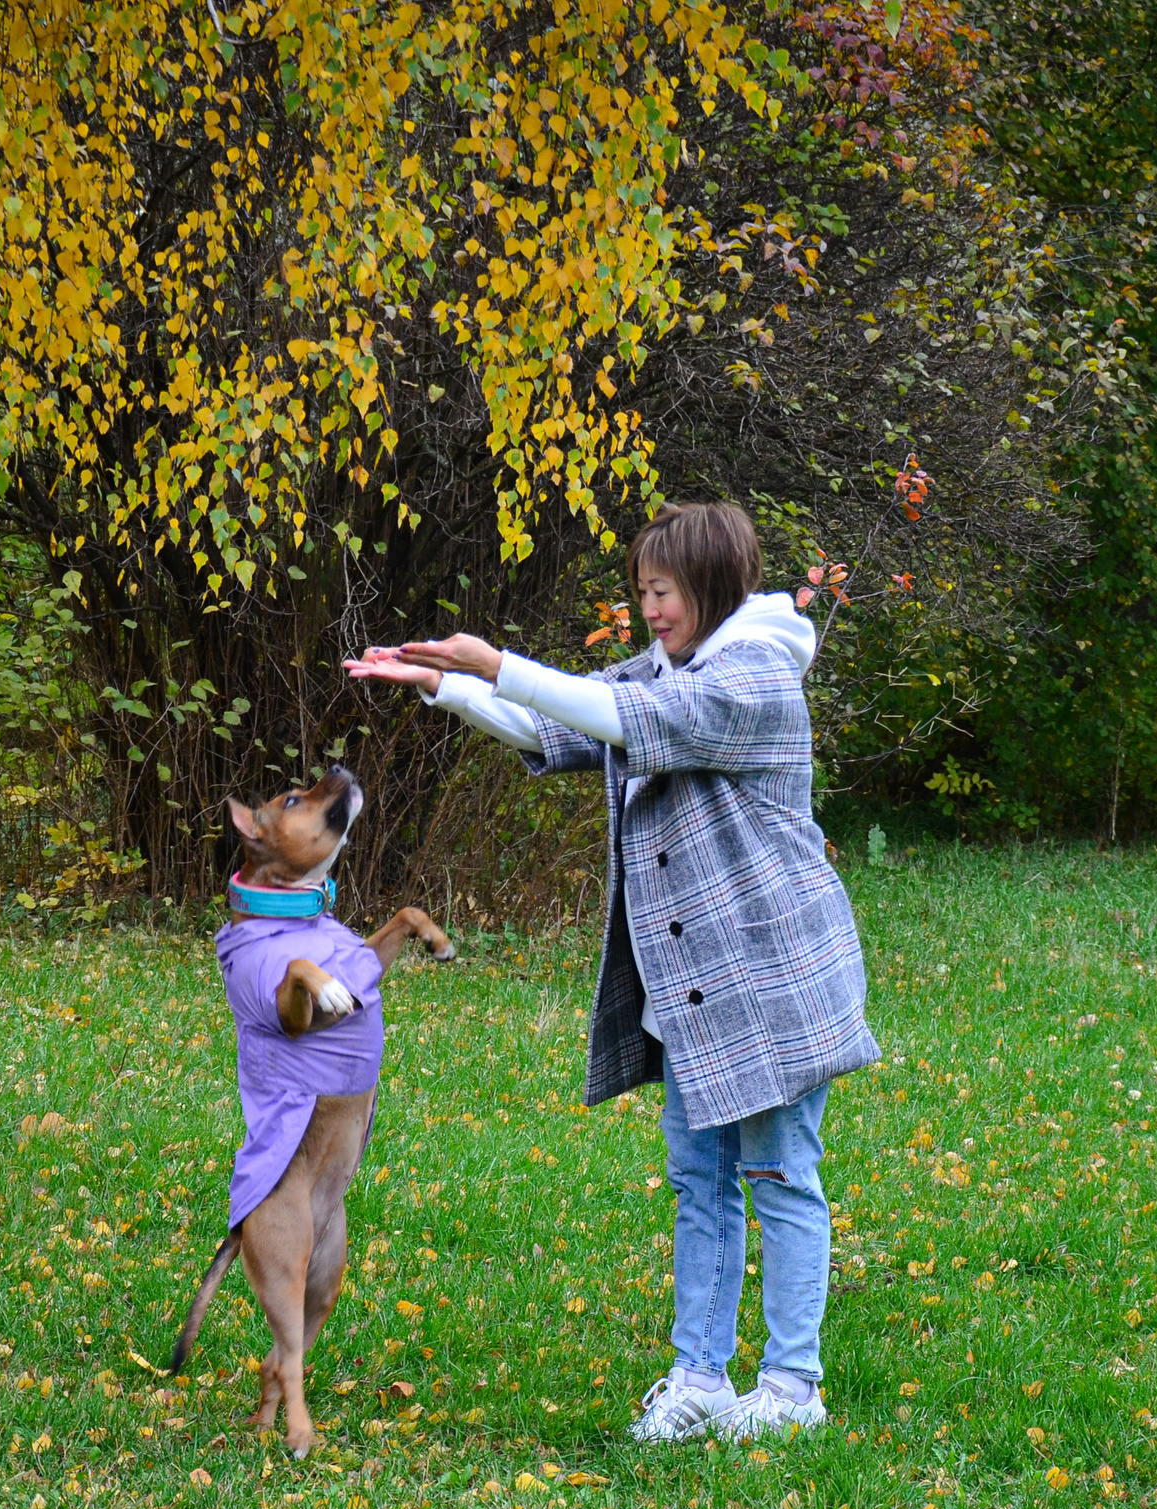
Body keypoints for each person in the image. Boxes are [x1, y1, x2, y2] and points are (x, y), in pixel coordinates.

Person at [343, 501, 878, 1440]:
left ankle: (793, 1391)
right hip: (698, 992)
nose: (648, 611)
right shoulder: (675, 669)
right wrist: (448, 685)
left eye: (660, 592)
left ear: (709, 586)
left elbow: (620, 712)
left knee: (780, 1175)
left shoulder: (752, 679)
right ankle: (702, 1379)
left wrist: (495, 663)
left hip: (773, 979)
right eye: (641, 594)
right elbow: (566, 727)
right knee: (699, 1179)